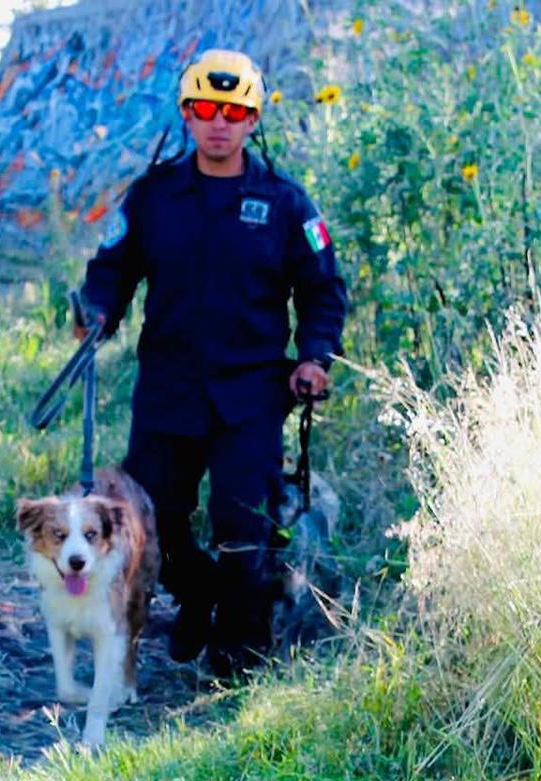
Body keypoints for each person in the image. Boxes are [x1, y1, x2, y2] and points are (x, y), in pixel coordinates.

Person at [74, 49, 347, 678]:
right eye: (204, 109)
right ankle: (200, 593)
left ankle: (239, 651)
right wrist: (96, 312)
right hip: (169, 386)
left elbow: (323, 289)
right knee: (148, 517)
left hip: (249, 392)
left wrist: (313, 357)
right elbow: (112, 271)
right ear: (186, 116)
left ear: (253, 120)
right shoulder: (153, 196)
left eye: (233, 111)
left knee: (241, 522)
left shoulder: (286, 204)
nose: (218, 122)